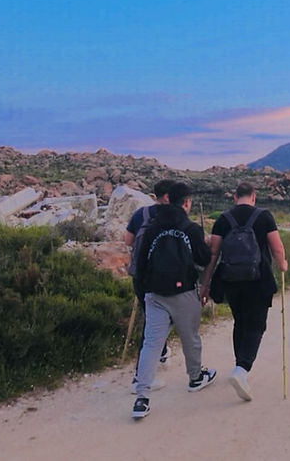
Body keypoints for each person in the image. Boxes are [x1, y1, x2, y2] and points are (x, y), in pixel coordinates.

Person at [131, 182, 216, 418]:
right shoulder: (191, 228)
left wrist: (145, 291)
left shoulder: (151, 227)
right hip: (184, 291)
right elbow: (203, 258)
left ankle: (141, 398)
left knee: (151, 344)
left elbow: (140, 262)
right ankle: (195, 378)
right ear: (186, 202)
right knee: (190, 337)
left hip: (155, 293)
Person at [202, 182, 288, 402]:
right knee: (257, 324)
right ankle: (241, 369)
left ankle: (239, 364)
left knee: (240, 322)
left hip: (231, 280)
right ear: (254, 197)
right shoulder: (264, 216)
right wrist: (283, 265)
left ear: (234, 198)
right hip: (258, 280)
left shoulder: (223, 219)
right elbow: (277, 247)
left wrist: (205, 284)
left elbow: (214, 254)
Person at [123, 179, 175, 392]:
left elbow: (128, 240)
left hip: (140, 276)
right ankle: (141, 378)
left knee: (153, 319)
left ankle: (161, 352)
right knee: (157, 324)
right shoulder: (173, 216)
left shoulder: (141, 214)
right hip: (163, 277)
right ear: (167, 197)